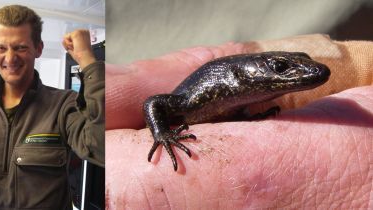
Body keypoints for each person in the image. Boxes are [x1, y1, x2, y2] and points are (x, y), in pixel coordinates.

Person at [105, 34, 373, 208]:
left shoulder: (239, 97)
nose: (310, 69)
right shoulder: (190, 101)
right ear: (237, 75)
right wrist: (162, 135)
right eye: (280, 67)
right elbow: (153, 103)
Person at [0, 5, 104, 209]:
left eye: (20, 47)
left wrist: (88, 61)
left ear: (38, 48)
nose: (10, 58)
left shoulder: (64, 104)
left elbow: (100, 148)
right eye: (1, 48)